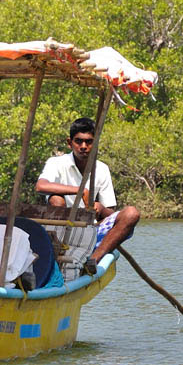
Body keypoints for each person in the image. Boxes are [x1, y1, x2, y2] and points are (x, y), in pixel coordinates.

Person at [34, 117, 140, 274]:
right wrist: (80, 190)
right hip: (62, 233)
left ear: (95, 143)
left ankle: (93, 260)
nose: (83, 146)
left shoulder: (101, 169)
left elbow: (110, 215)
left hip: (91, 231)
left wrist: (100, 208)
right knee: (56, 199)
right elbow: (41, 186)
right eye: (78, 141)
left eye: (89, 142)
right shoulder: (56, 163)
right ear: (70, 143)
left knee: (131, 213)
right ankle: (58, 253)